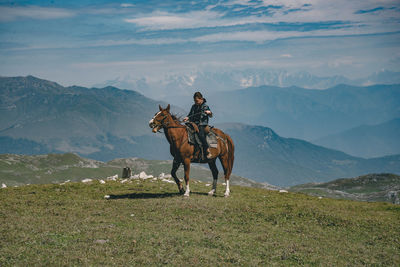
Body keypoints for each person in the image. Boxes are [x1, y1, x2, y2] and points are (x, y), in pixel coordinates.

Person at [183, 92, 213, 159]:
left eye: (197, 101)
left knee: (200, 134)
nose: (195, 102)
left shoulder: (205, 106)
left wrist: (209, 112)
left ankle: (207, 150)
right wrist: (187, 117)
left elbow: (210, 115)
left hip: (202, 124)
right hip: (193, 123)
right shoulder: (193, 106)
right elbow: (190, 115)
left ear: (201, 99)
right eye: (194, 101)